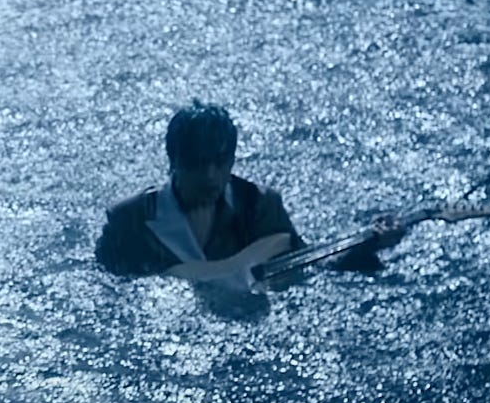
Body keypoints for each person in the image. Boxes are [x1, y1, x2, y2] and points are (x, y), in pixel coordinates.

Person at [96, 101, 322, 287]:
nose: (210, 175)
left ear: (232, 160)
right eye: (198, 164)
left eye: (220, 162)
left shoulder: (260, 205)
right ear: (174, 161)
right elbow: (106, 289)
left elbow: (308, 267)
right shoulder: (129, 220)